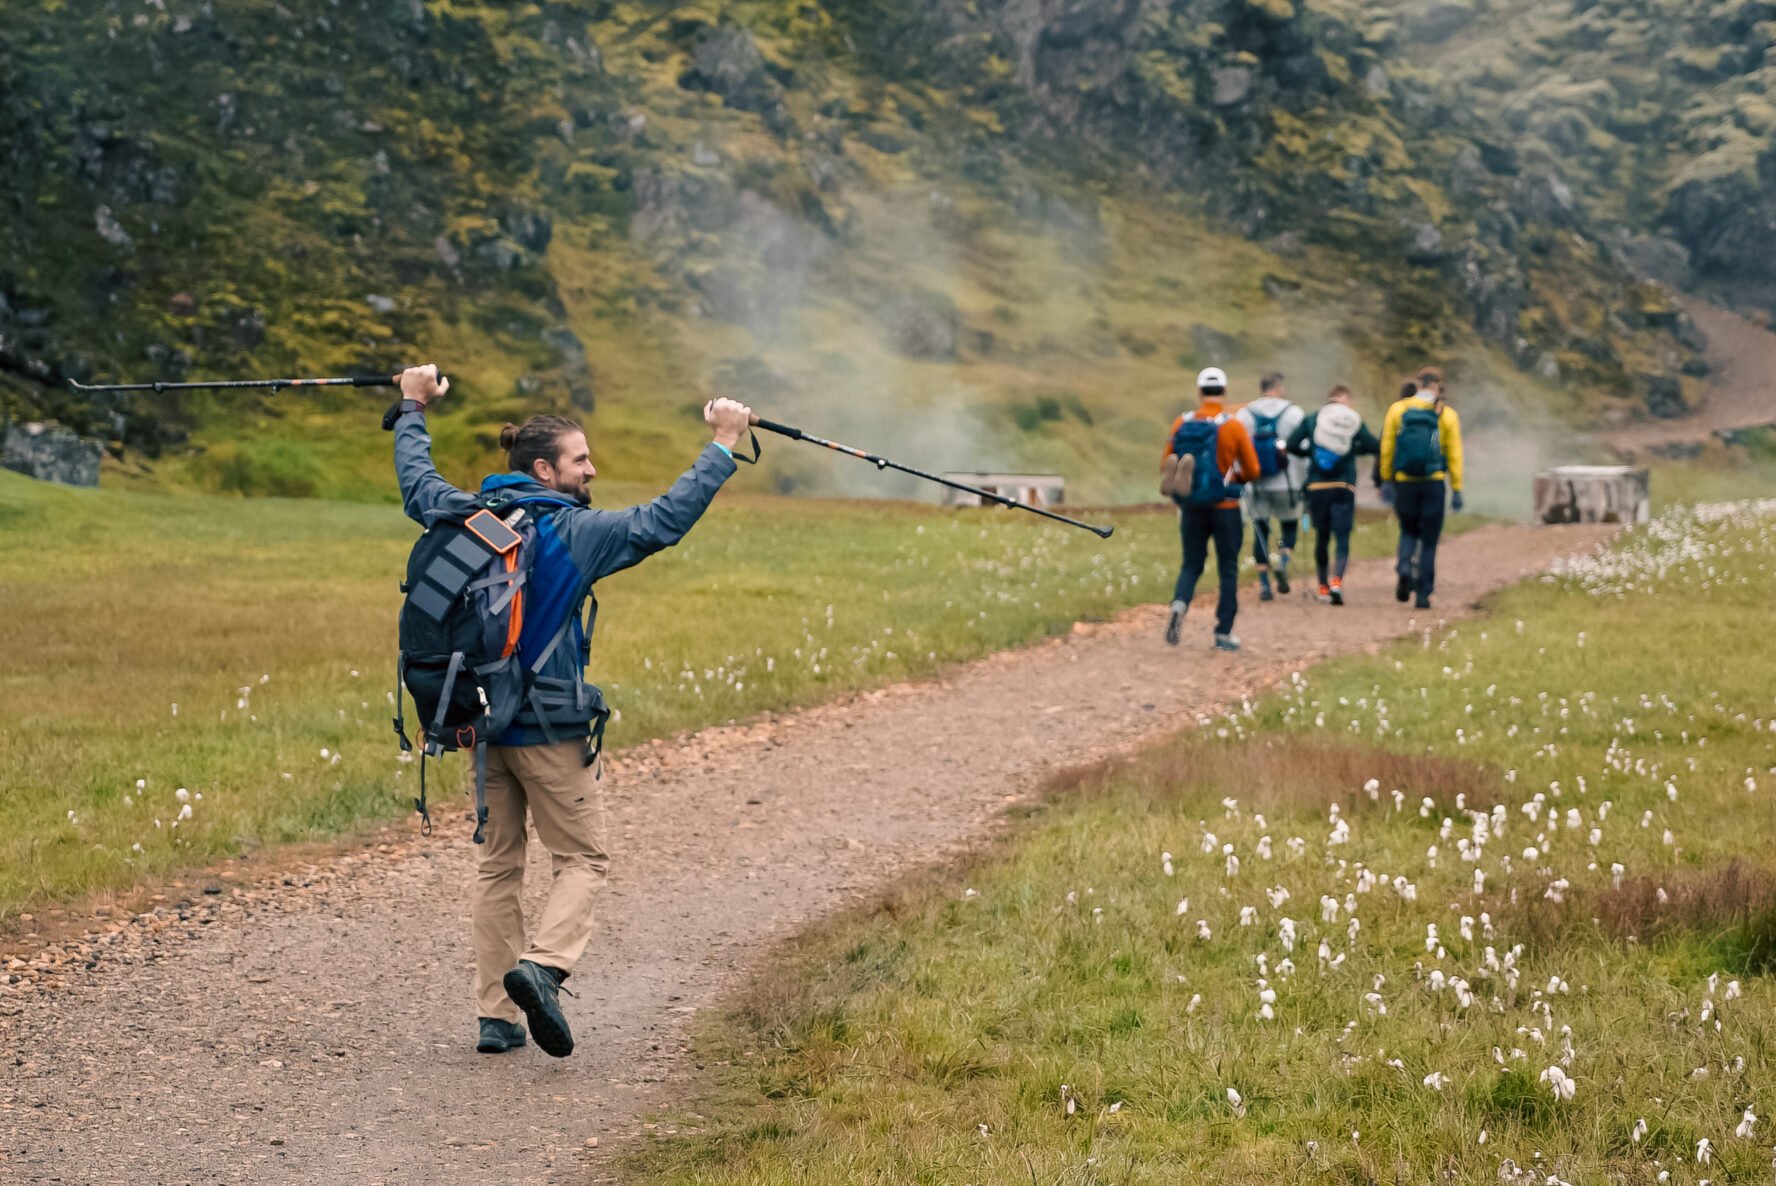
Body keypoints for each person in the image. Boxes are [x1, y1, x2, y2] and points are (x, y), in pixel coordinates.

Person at [389, 364, 754, 1058]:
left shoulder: (463, 511)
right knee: (584, 858)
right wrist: (723, 443)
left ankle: (497, 1017)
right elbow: (662, 522)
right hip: (550, 730)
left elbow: (415, 478)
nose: (592, 470)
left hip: (481, 730)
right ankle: (544, 967)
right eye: (580, 460)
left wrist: (412, 406)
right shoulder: (574, 532)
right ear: (544, 470)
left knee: (500, 866)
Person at [1162, 366, 1262, 651]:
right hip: (1226, 506)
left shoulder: (1181, 423)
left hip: (1191, 506)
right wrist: (1234, 477)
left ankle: (1180, 604)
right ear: (1225, 392)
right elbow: (1253, 469)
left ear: (1199, 392)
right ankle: (1223, 633)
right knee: (1228, 568)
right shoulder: (1232, 426)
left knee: (1191, 563)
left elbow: (1164, 464)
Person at [1379, 366, 1465, 610]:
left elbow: (1387, 446)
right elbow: (1455, 453)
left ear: (1418, 383)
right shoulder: (1447, 414)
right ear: (1439, 386)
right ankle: (1424, 594)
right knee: (1429, 540)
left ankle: (1405, 567)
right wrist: (1457, 488)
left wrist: (1387, 478)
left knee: (1407, 530)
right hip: (1433, 482)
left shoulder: (1399, 409)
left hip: (1405, 482)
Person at [1287, 384, 1380, 604]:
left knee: (1322, 536)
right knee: (1342, 536)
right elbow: (1374, 445)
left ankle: (1322, 587)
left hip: (1317, 487)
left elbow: (1291, 444)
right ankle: (1337, 582)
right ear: (1344, 399)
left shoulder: (1313, 419)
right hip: (1343, 486)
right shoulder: (1352, 420)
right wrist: (1354, 449)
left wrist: (1309, 451)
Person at [1232, 372, 1306, 602]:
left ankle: (1264, 586)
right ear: (1278, 387)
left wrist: (1241, 479)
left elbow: (1236, 449)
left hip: (1256, 484)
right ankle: (1283, 561)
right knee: (1290, 526)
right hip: (1288, 481)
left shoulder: (1245, 415)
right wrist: (1304, 480)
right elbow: (1304, 447)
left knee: (1261, 532)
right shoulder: (1293, 413)